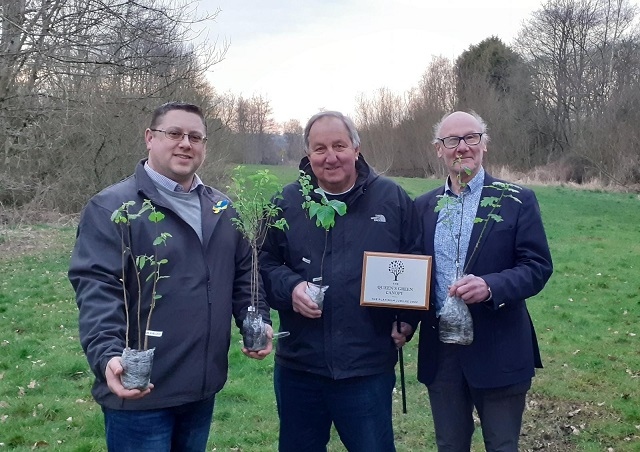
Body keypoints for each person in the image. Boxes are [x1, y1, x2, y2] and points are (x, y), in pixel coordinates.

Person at [68, 101, 273, 452]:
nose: (185, 143)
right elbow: (98, 289)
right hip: (139, 389)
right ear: (150, 138)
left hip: (201, 387)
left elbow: (244, 274)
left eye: (195, 136)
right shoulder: (115, 208)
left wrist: (258, 319)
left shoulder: (221, 208)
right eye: (174, 133)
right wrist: (106, 356)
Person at [259, 111, 420, 452]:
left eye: (339, 145)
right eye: (319, 148)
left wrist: (407, 319)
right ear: (308, 154)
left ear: (357, 149)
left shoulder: (392, 199)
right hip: (300, 367)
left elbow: (418, 264)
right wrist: (291, 289)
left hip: (367, 366)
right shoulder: (286, 202)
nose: (330, 156)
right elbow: (262, 263)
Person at [414, 110, 553, 451]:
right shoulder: (424, 207)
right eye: (452, 140)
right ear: (439, 149)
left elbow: (537, 266)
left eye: (470, 138)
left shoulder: (515, 200)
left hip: (500, 348)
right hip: (442, 352)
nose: (462, 147)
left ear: (484, 144)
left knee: (502, 445)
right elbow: (413, 271)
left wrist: (491, 287)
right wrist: (402, 319)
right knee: (450, 445)